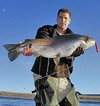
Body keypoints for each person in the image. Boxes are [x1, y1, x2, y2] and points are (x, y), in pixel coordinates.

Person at [23, 8, 84, 106]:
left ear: (69, 21)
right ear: (56, 18)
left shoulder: (74, 38)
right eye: (60, 17)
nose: (63, 20)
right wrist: (30, 49)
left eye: (65, 18)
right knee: (49, 103)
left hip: (63, 77)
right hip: (44, 75)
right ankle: (41, 100)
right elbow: (42, 45)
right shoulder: (45, 30)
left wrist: (72, 54)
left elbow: (67, 61)